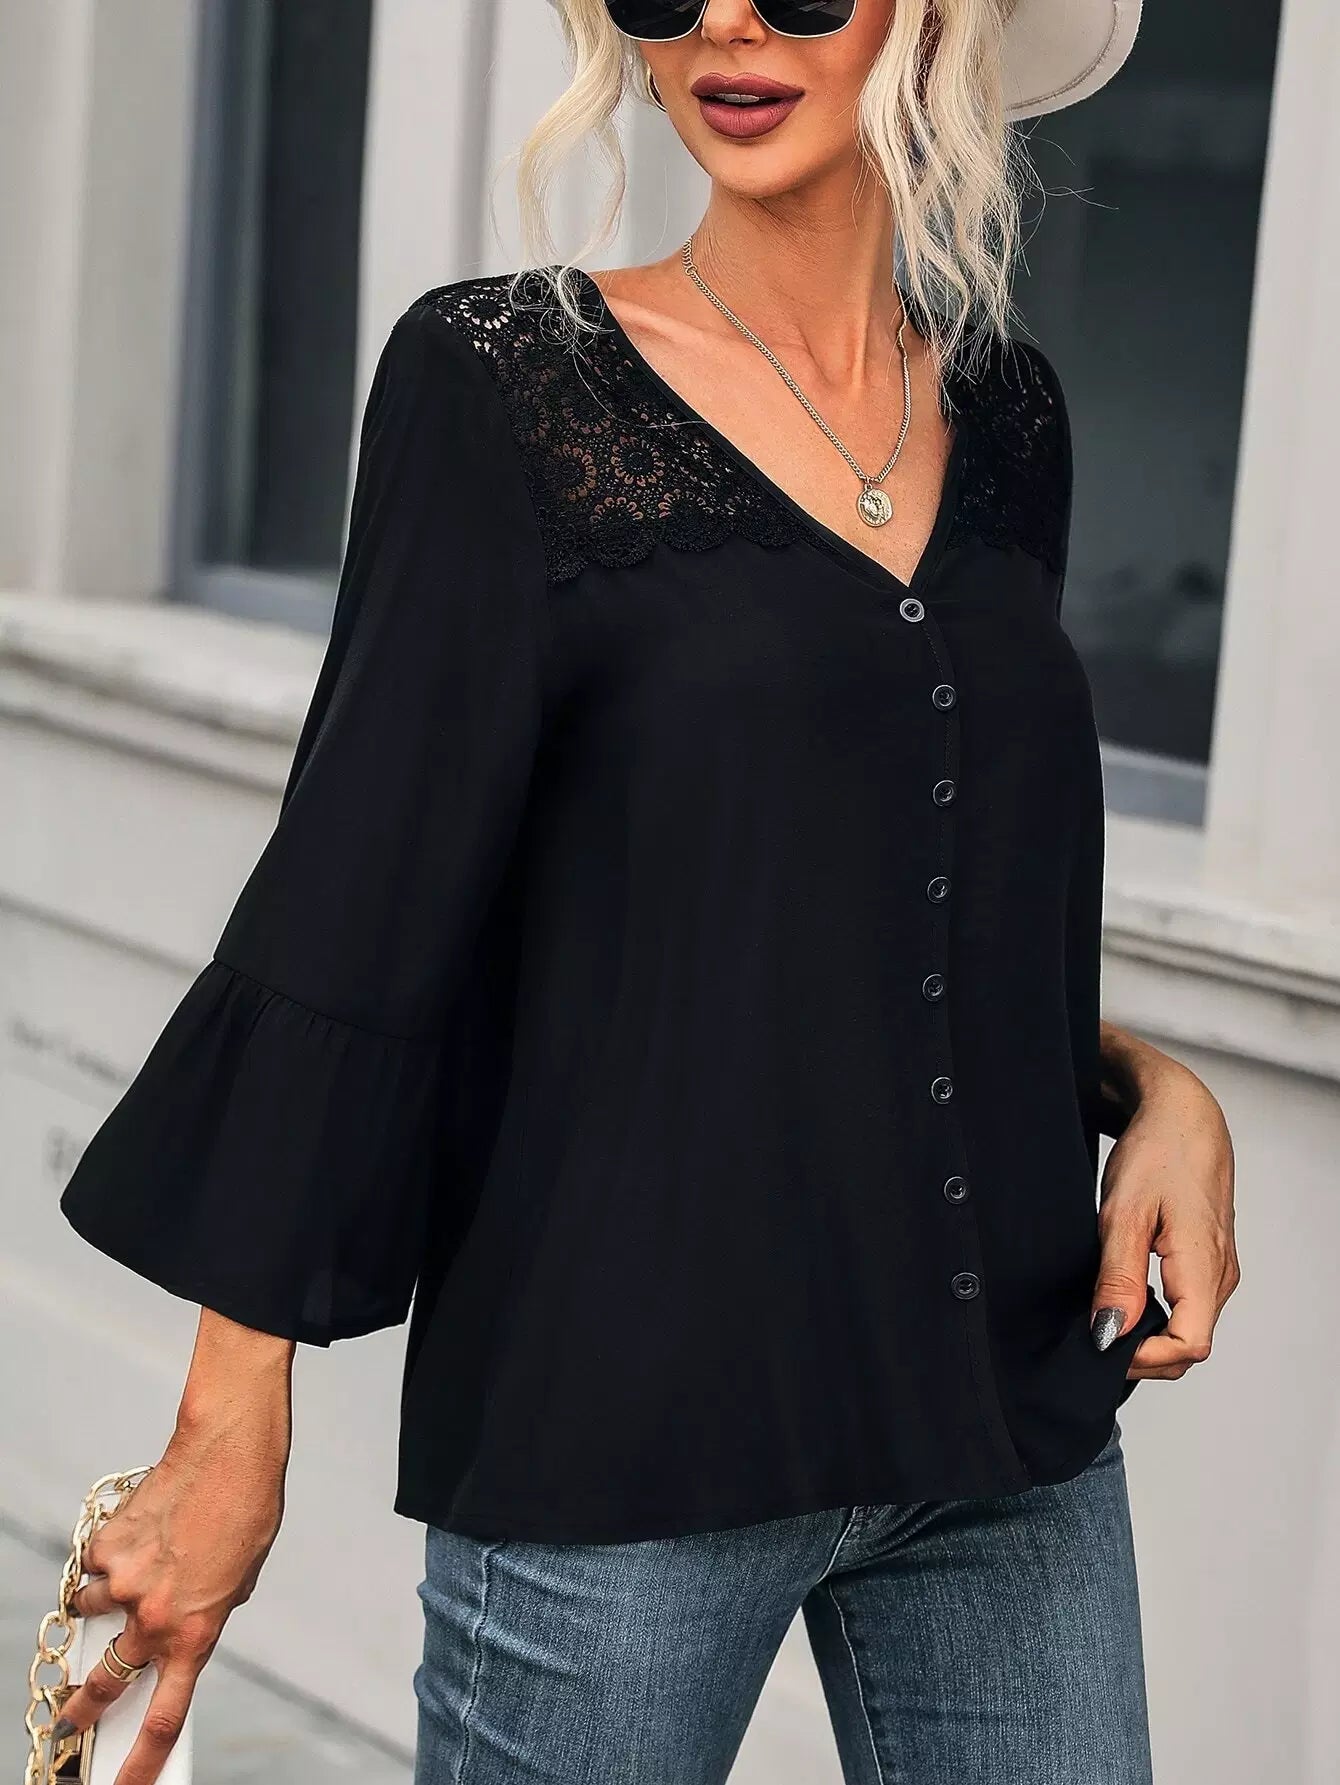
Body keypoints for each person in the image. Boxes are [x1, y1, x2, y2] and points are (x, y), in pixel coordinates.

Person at [53, 2, 1240, 1781]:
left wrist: (1155, 1089)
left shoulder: (1010, 414)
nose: (728, 22)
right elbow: (358, 901)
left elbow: (885, 888)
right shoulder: (499, 382)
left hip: (1000, 1419)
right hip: (621, 1439)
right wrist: (232, 1421)